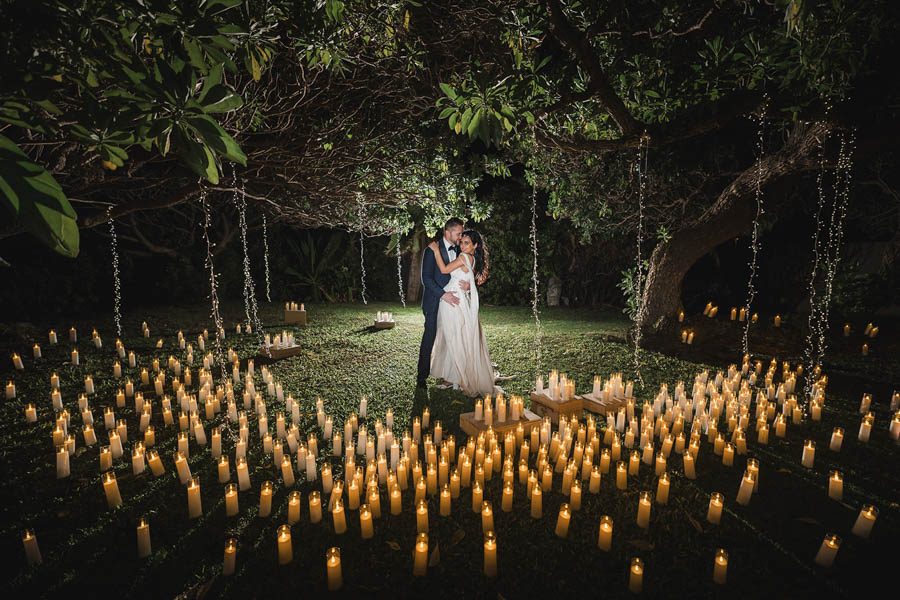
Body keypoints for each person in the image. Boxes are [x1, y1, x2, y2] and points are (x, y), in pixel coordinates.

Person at [427, 229, 501, 398]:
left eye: (467, 243)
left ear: (475, 245)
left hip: (453, 301)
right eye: (462, 242)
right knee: (455, 337)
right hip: (459, 300)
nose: (462, 245)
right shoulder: (472, 259)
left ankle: (459, 378)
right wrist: (469, 286)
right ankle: (453, 377)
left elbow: (444, 270)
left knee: (453, 338)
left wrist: (436, 250)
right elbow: (468, 279)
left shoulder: (463, 257)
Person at [416, 218, 470, 389]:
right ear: (447, 233)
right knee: (430, 337)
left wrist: (468, 286)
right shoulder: (431, 250)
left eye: (461, 233)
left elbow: (467, 273)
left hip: (453, 305)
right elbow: (426, 279)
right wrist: (443, 295)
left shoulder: (461, 251)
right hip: (434, 301)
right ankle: (422, 376)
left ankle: (452, 374)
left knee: (454, 338)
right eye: (458, 233)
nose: (461, 237)